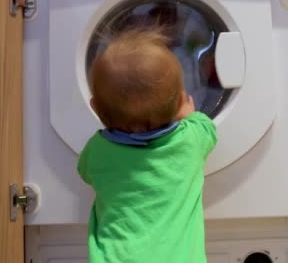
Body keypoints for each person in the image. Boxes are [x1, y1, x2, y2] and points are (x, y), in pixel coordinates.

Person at [78, 27, 217, 263]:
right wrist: (187, 114)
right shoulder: (191, 140)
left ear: (95, 107)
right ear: (181, 101)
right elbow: (208, 128)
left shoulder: (98, 151)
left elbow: (85, 172)